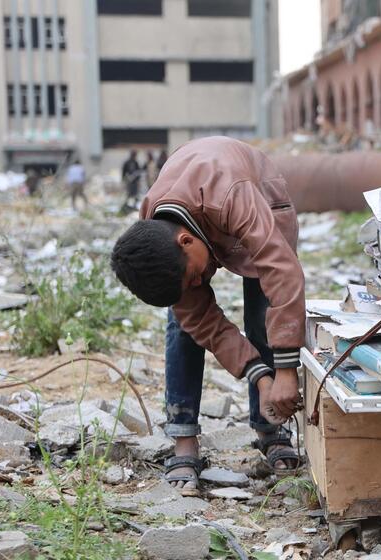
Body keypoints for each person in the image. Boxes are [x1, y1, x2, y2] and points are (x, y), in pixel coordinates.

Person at [110, 136, 305, 495]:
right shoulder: (154, 233)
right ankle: (183, 438)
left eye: (195, 277)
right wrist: (261, 379)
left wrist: (286, 371)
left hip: (261, 198)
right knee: (183, 324)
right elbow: (203, 321)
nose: (201, 282)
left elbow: (282, 272)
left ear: (184, 240)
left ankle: (272, 428)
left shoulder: (231, 193)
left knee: (265, 306)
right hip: (205, 212)